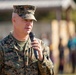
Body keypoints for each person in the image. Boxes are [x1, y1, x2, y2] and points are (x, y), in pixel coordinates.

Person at [0, 5, 54, 75]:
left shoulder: (40, 46)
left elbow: (50, 73)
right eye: (25, 20)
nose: (29, 24)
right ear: (14, 20)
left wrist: (41, 58)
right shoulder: (2, 47)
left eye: (31, 20)